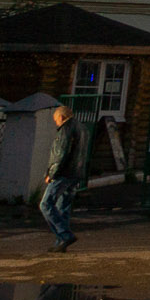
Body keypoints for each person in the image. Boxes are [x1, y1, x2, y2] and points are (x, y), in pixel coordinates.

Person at [41, 105, 90, 252]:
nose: (56, 123)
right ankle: (60, 242)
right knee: (63, 207)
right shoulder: (83, 129)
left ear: (61, 118)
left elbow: (60, 154)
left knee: (46, 204)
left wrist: (51, 174)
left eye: (56, 120)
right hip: (76, 174)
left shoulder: (65, 130)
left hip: (64, 173)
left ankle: (64, 235)